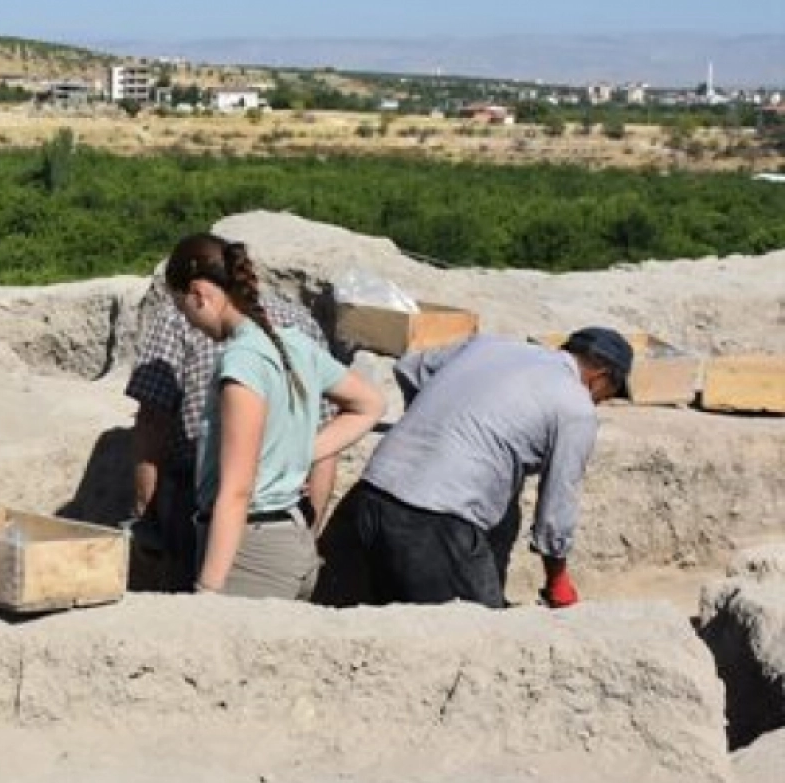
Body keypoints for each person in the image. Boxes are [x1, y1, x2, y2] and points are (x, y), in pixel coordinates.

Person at [316, 328, 632, 610]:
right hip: (436, 524)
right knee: (475, 641)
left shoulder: (490, 345)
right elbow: (556, 508)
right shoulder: (575, 406)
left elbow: (410, 368)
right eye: (611, 393)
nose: (603, 402)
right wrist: (557, 580)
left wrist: (435, 432)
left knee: (347, 625)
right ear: (601, 375)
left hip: (371, 493)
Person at [163, 234, 384, 599]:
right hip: (292, 542)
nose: (189, 323)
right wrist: (298, 452)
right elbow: (370, 404)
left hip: (250, 553)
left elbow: (236, 492)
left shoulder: (243, 360)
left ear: (200, 294)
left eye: (183, 308)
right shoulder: (293, 342)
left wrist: (208, 591)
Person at [125, 264, 342, 592]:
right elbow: (329, 420)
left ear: (197, 291)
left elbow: (153, 422)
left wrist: (146, 516)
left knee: (203, 621)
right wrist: (313, 524)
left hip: (208, 502)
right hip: (289, 510)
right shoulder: (298, 322)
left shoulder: (180, 320)